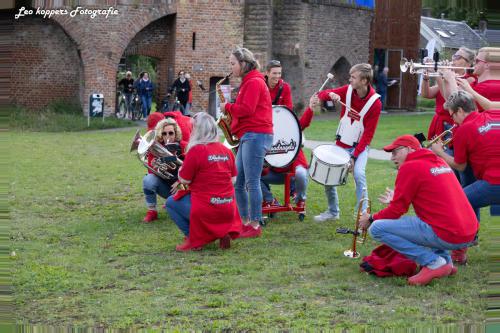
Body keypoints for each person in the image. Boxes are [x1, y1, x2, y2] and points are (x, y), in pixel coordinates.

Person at [358, 135, 479, 286]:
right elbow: (431, 197)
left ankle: (434, 263)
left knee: (377, 228)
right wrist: (395, 199)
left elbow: (396, 211)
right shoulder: (438, 161)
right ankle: (447, 263)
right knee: (425, 223)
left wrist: (370, 218)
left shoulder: (410, 167)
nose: (392, 157)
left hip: (450, 234)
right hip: (469, 232)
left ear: (409, 149)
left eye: (395, 152)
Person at [430, 91, 500, 263]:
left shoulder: (463, 130)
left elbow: (460, 166)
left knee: (457, 203)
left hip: (494, 182)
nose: (453, 120)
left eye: (453, 114)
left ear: (460, 110)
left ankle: (457, 253)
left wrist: (440, 153)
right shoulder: (493, 114)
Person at [310, 63, 382, 222]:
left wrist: (354, 157)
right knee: (328, 175)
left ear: (364, 81)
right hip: (341, 144)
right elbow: (323, 94)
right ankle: (333, 212)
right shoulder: (348, 90)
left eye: (353, 77)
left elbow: (367, 136)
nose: (349, 80)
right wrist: (327, 96)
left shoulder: (375, 103)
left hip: (359, 147)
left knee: (359, 174)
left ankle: (363, 216)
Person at [165, 112, 242, 251]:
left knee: (170, 202)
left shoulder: (196, 150)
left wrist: (182, 168)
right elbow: (233, 180)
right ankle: (223, 233)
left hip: (207, 208)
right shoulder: (226, 151)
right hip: (227, 209)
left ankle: (194, 238)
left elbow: (184, 179)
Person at [220, 47, 273, 236]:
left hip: (255, 134)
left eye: (233, 63)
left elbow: (247, 109)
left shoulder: (254, 82)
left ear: (243, 64)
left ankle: (255, 224)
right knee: (238, 182)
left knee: (252, 182)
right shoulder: (249, 81)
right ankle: (244, 221)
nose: (231, 67)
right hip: (249, 135)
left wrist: (227, 106)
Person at [422, 47, 476, 145]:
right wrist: (426, 78)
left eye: (458, 57)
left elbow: (451, 99)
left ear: (468, 64)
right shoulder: (448, 76)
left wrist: (438, 74)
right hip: (440, 124)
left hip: (451, 125)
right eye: (454, 55)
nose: (454, 59)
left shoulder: (469, 80)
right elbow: (426, 94)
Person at [142, 117, 186, 223]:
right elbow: (151, 174)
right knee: (148, 180)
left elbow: (192, 168)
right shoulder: (155, 148)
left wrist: (180, 181)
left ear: (176, 133)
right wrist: (154, 167)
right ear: (160, 135)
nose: (167, 137)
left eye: (171, 133)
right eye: (164, 134)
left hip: (184, 188)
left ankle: (175, 203)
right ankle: (152, 211)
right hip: (167, 187)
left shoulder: (185, 146)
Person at [444, 47, 500, 111]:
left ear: (487, 65)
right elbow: (448, 103)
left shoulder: (485, 87)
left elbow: (457, 105)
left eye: (477, 61)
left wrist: (451, 80)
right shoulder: (475, 84)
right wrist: (445, 79)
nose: (473, 63)